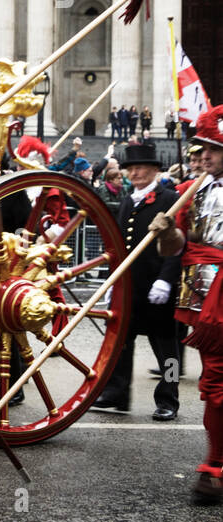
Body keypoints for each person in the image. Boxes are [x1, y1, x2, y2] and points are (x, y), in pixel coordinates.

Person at [151, 104, 223, 502]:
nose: (204, 156)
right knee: (215, 380)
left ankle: (216, 465)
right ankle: (217, 463)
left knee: (219, 381)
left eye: (213, 148)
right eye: (202, 148)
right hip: (203, 296)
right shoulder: (193, 192)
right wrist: (167, 233)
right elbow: (180, 246)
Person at [92, 143, 183, 419]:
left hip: (157, 286)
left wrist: (166, 280)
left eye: (141, 167)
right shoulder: (128, 200)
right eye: (131, 168)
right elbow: (118, 247)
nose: (135, 173)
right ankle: (117, 393)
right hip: (130, 286)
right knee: (121, 344)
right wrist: (111, 283)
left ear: (155, 170)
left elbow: (177, 243)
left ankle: (169, 399)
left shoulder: (169, 198)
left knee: (167, 350)